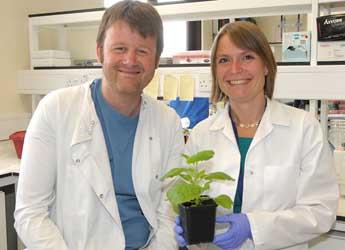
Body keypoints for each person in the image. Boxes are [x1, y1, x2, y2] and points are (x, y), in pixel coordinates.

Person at [14, 1, 184, 249]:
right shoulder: (56, 109)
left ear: (156, 60)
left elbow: (169, 211)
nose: (130, 60)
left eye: (143, 51)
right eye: (120, 48)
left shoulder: (168, 122)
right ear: (99, 51)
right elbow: (30, 213)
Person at [174, 21, 339, 250]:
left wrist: (254, 226)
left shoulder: (304, 128)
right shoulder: (202, 133)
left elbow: (321, 211)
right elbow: (185, 194)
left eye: (247, 57)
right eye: (224, 60)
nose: (235, 69)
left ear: (266, 66)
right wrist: (182, 223)